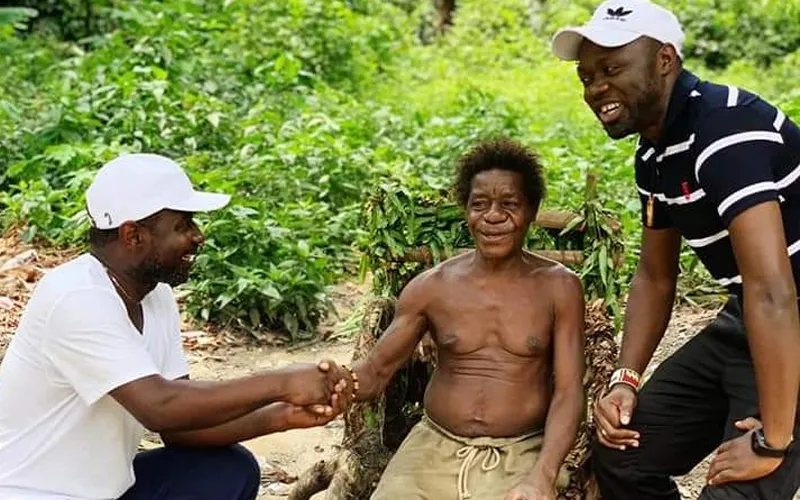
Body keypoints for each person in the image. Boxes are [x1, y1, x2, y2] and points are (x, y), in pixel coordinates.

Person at [550, 1, 800, 498]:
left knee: (739, 488)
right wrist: (625, 379)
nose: (596, 87)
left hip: (784, 320)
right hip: (746, 322)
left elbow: (774, 290)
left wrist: (774, 442)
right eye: (586, 76)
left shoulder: (725, 129)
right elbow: (655, 277)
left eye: (612, 68)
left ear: (664, 60)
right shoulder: (654, 152)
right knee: (625, 451)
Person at [0, 153, 347, 500]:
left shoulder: (154, 295)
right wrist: (282, 382)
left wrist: (284, 416)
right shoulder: (76, 297)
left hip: (108, 490)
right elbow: (159, 406)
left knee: (227, 470)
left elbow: (179, 427)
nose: (198, 236)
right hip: (33, 493)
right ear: (133, 235)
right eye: (183, 226)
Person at [334, 139, 586, 500]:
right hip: (432, 447)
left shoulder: (559, 287)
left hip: (520, 451)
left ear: (531, 211)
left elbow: (568, 391)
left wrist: (543, 475)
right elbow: (374, 373)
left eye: (509, 205)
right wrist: (334, 383)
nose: (493, 216)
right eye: (479, 204)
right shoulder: (431, 287)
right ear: (465, 211)